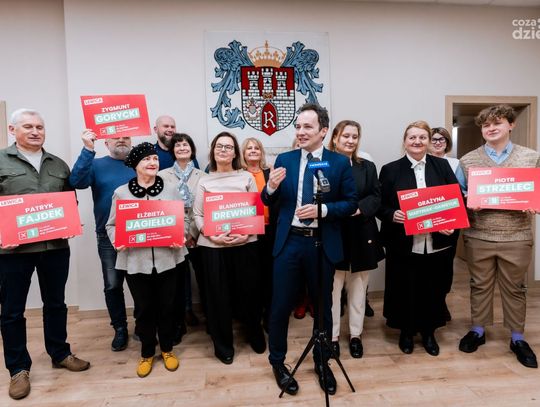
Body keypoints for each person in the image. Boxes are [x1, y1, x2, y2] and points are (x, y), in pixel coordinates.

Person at [262, 103, 357, 396]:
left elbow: (351, 203)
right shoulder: (285, 159)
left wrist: (323, 210)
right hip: (289, 242)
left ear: (323, 131)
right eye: (298, 126)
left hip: (321, 243)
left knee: (323, 307)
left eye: (307, 127)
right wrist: (271, 188)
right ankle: (278, 363)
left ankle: (321, 361)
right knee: (280, 306)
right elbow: (268, 200)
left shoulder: (339, 163)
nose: (301, 132)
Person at [0, 109, 90, 400]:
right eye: (28, 126)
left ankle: (59, 353)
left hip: (55, 248)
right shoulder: (1, 161)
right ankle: (18, 369)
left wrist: (71, 221)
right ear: (12, 130)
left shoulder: (58, 164)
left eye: (39, 126)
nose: (35, 131)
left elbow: (69, 200)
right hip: (14, 251)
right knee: (12, 311)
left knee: (56, 303)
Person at [456, 105, 539, 369]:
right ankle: (478, 330)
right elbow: (457, 196)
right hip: (479, 235)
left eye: (497, 123)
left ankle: (517, 338)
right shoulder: (468, 160)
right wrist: (467, 201)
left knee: (515, 288)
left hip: (517, 235)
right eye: (486, 125)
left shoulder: (531, 157)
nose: (491, 128)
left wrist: (534, 203)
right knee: (479, 284)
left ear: (511, 125)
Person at [377, 120, 459, 357]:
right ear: (405, 141)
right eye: (412, 137)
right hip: (403, 242)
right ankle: (406, 331)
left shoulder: (442, 166)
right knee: (404, 288)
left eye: (422, 137)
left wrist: (450, 222)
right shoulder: (390, 169)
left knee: (432, 288)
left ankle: (429, 332)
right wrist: (392, 214)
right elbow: (379, 205)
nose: (417, 141)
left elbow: (455, 200)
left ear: (429, 141)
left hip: (436, 242)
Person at [106, 142, 188, 378]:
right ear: (135, 165)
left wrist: (180, 235)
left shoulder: (171, 189)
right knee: (144, 309)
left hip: (168, 258)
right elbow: (111, 225)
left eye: (155, 159)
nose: (153, 163)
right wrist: (117, 240)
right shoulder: (121, 193)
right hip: (135, 261)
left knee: (167, 307)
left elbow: (183, 218)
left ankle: (167, 349)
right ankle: (147, 352)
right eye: (146, 159)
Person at [193, 132, 265, 365]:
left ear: (235, 153)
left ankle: (255, 334)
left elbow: (255, 210)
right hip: (213, 246)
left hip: (245, 243)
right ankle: (223, 345)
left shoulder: (246, 177)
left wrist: (247, 233)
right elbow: (197, 214)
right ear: (213, 151)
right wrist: (211, 234)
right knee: (218, 297)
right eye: (219, 146)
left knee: (250, 292)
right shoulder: (204, 180)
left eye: (228, 147)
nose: (223, 150)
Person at [69, 130, 134, 351]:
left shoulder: (141, 162)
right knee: (112, 285)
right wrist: (88, 149)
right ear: (106, 142)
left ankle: (144, 324)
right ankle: (120, 328)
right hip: (107, 236)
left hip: (138, 233)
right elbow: (77, 181)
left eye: (126, 136)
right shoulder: (96, 164)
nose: (121, 139)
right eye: (116, 137)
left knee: (141, 282)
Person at [327, 120, 384, 359]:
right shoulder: (322, 164)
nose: (350, 141)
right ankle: (332, 337)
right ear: (335, 138)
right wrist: (343, 208)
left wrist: (359, 208)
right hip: (334, 235)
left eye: (354, 136)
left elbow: (376, 196)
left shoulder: (367, 166)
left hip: (362, 235)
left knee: (359, 291)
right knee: (332, 292)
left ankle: (355, 336)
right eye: (346, 136)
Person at [159, 133, 206, 344]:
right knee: (176, 282)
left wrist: (192, 234)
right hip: (174, 235)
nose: (181, 148)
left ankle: (210, 319)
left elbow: (205, 207)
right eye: (177, 145)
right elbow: (162, 207)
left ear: (192, 149)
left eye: (185, 145)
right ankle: (179, 322)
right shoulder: (162, 175)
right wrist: (180, 233)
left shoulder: (202, 176)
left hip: (198, 234)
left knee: (204, 279)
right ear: (172, 151)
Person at [241, 137, 275, 329]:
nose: (253, 151)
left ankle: (269, 315)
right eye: (249, 148)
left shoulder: (269, 173)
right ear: (243, 153)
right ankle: (253, 317)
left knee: (269, 274)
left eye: (256, 148)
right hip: (248, 232)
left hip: (269, 230)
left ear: (261, 152)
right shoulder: (239, 174)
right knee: (252, 276)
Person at [428, 126, 459, 321]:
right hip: (427, 221)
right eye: (434, 139)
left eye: (442, 139)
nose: (438, 142)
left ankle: (441, 302)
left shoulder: (456, 164)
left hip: (450, 223)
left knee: (445, 266)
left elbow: (461, 191)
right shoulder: (423, 163)